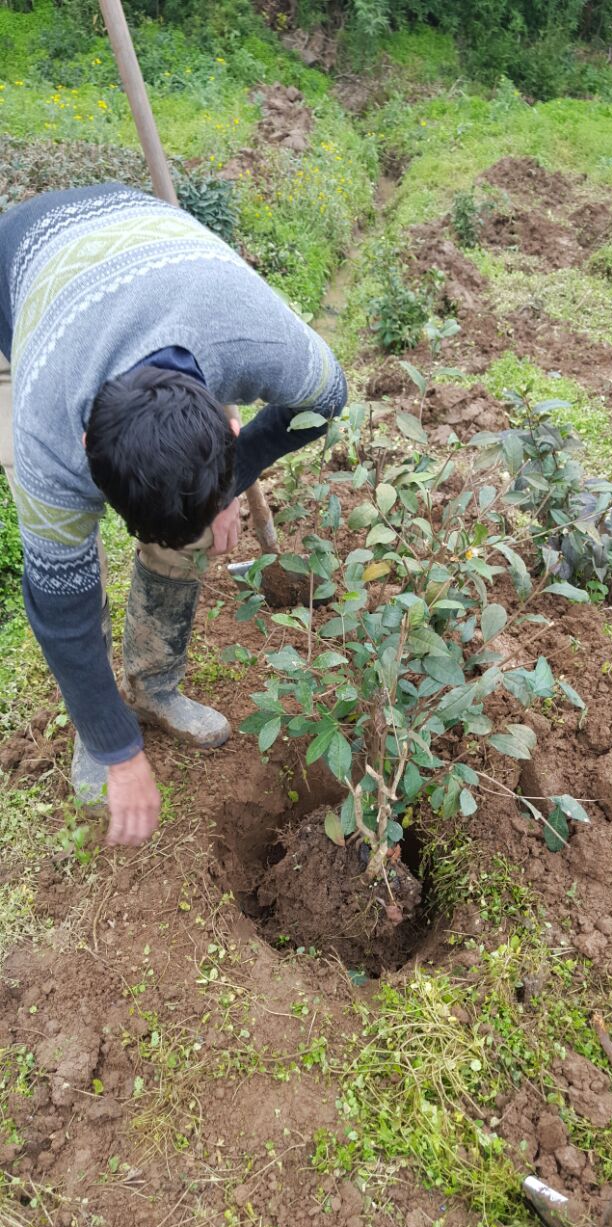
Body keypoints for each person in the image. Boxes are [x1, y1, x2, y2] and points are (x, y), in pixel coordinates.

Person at [0, 182, 346, 846]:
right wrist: (117, 752)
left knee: (180, 523)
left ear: (222, 418)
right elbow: (57, 610)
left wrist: (227, 482)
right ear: (82, 447)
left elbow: (327, 400)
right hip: (22, 270)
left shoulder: (260, 337)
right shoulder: (49, 437)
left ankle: (154, 687)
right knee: (70, 566)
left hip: (166, 256)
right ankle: (99, 726)